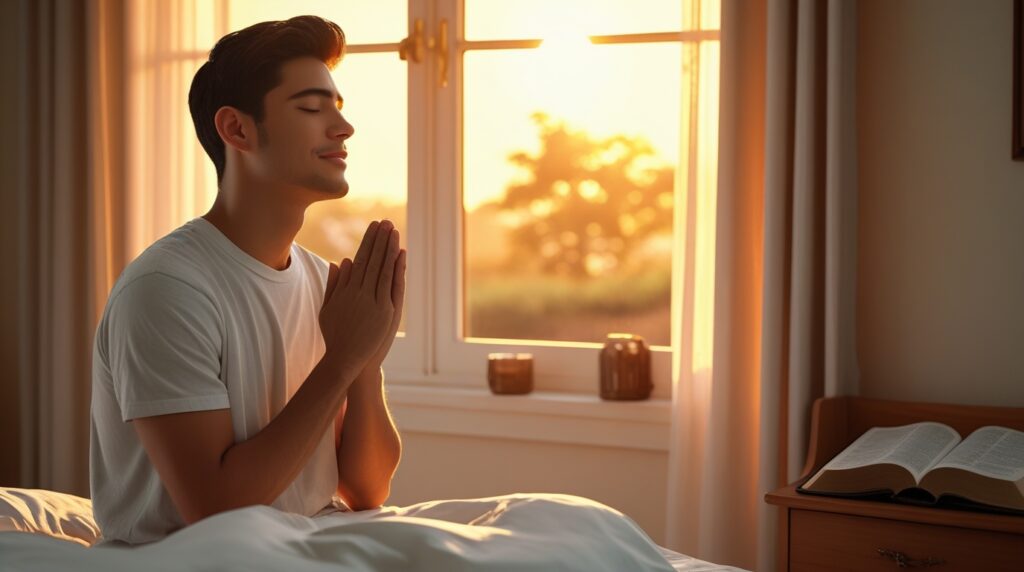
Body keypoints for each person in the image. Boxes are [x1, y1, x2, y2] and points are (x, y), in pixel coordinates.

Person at [88, 15, 405, 545]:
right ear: (237, 129)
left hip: (300, 545)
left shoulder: (321, 280)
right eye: (310, 107)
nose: (343, 128)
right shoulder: (167, 290)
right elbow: (215, 511)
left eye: (338, 108)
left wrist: (365, 359)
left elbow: (367, 489)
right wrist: (341, 361)